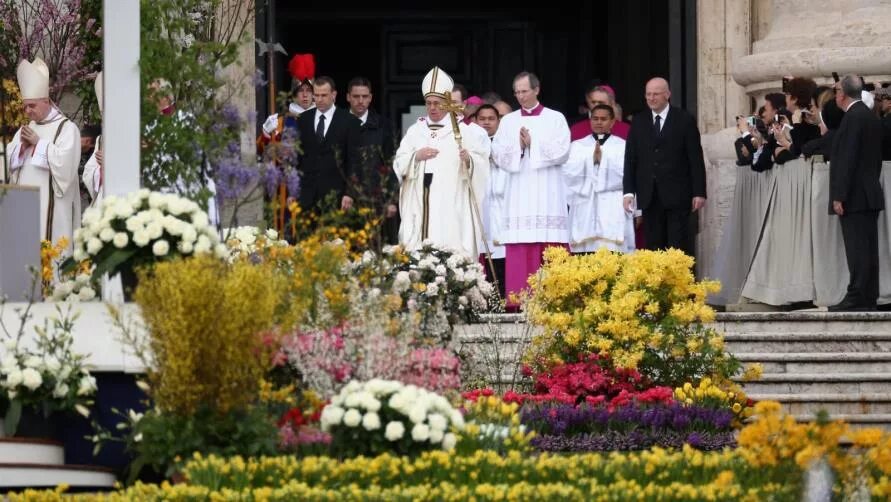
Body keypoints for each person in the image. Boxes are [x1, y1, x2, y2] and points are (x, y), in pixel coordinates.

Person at [491, 71, 570, 307]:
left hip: (547, 190)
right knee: (520, 241)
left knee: (548, 240)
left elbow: (563, 150)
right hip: (519, 191)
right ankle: (518, 299)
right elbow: (498, 154)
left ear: (536, 90)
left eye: (524, 91)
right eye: (517, 92)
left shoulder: (555, 118)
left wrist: (533, 144)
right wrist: (519, 147)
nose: (520, 96)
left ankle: (552, 299)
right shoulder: (508, 121)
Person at [393, 66, 490, 258]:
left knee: (448, 243)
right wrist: (416, 156)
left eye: (437, 103)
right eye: (428, 103)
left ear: (446, 103)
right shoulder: (415, 130)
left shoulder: (463, 131)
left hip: (451, 203)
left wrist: (468, 160)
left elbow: (481, 164)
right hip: (420, 199)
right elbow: (399, 162)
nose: (432, 108)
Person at [622, 77, 706, 255]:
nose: (651, 98)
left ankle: (679, 283)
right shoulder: (638, 121)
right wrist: (629, 192)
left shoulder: (684, 119)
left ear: (668, 94)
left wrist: (699, 191)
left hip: (678, 195)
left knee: (678, 247)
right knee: (654, 248)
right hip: (649, 195)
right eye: (648, 94)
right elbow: (630, 159)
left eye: (656, 94)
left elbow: (695, 158)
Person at [5, 57, 81, 252]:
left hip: (53, 209)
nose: (27, 111)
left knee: (52, 259)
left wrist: (39, 144)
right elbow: (10, 163)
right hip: (26, 206)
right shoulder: (26, 129)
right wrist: (20, 147)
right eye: (25, 106)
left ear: (46, 101)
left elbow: (67, 166)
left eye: (32, 105)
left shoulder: (67, 129)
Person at [828, 75, 885, 311]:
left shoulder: (854, 118)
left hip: (855, 195)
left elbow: (848, 159)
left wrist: (839, 195)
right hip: (868, 191)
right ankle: (868, 294)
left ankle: (857, 295)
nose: (835, 94)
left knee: (858, 248)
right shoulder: (867, 116)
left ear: (842, 94)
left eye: (836, 90)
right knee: (867, 247)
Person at [563, 104, 633, 253]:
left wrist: (603, 161)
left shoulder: (623, 146)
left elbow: (628, 174)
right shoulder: (577, 146)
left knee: (612, 253)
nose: (599, 122)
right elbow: (568, 174)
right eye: (595, 119)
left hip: (612, 206)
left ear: (612, 122)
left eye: (603, 119)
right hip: (584, 206)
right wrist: (591, 161)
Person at [295, 75, 361, 213]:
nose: (319, 99)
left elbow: (354, 161)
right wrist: (293, 191)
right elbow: (298, 158)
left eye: (324, 95)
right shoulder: (303, 119)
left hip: (336, 197)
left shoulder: (350, 121)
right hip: (307, 196)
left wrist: (350, 193)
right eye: (316, 95)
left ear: (334, 95)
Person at [346, 76, 399, 243]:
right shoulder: (338, 123)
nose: (360, 101)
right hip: (346, 202)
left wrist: (391, 200)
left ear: (370, 97)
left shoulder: (384, 125)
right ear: (348, 97)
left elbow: (391, 163)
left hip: (377, 201)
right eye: (356, 97)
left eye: (364, 96)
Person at [474, 103, 506, 298]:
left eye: (491, 119)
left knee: (502, 255)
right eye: (482, 119)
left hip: (501, 207)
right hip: (480, 204)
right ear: (476, 121)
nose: (486, 123)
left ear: (498, 121)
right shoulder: (470, 143)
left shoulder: (506, 145)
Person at [83, 72, 103, 207]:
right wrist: (101, 170)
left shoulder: (136, 136)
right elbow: (88, 173)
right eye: (103, 113)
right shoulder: (102, 140)